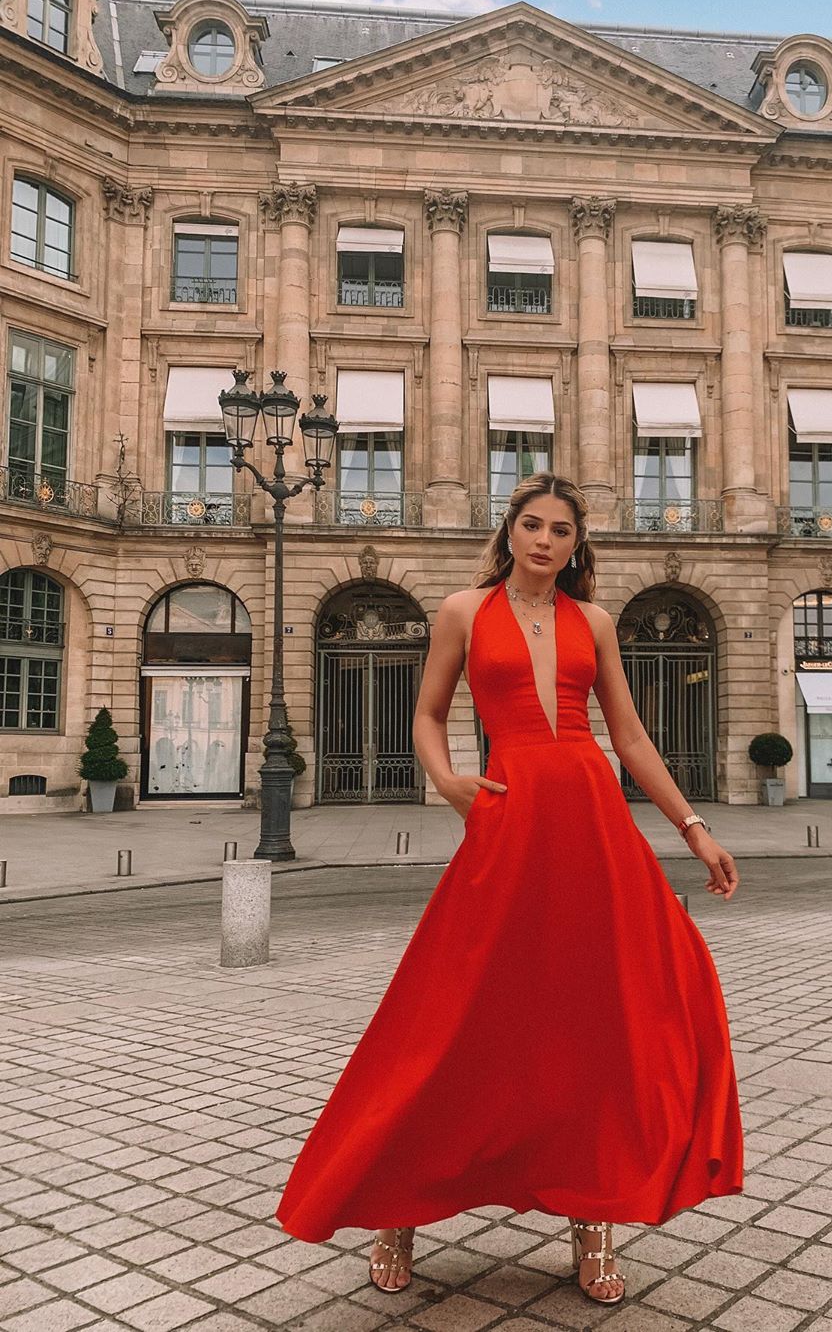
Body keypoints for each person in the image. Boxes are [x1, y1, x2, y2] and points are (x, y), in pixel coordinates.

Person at [275, 472, 743, 1306]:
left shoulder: (593, 621)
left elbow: (629, 737)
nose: (546, 541)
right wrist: (449, 780)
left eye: (562, 530)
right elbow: (426, 713)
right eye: (533, 525)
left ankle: (594, 1224)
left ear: (576, 544)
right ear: (510, 529)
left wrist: (692, 829)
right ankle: (393, 1212)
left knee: (595, 1022)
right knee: (453, 1019)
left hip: (592, 824)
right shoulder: (462, 609)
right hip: (508, 817)